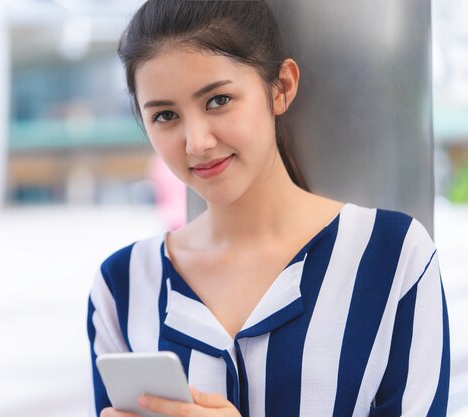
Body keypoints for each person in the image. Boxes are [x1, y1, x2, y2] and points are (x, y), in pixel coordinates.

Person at [86, 1, 450, 416]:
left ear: (281, 88)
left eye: (218, 100)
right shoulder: (123, 286)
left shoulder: (392, 256)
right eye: (165, 115)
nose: (196, 142)